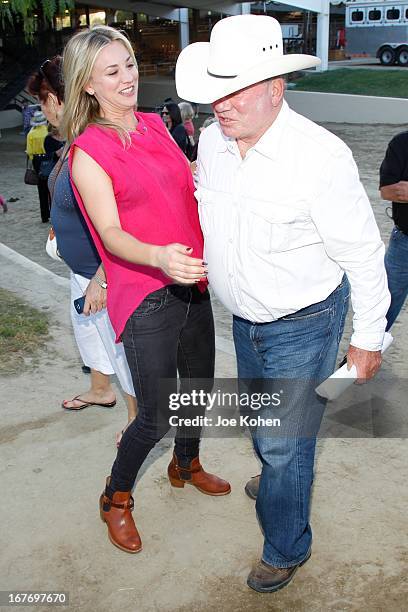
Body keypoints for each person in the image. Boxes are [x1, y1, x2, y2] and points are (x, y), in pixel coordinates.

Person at [176, 15, 390, 593]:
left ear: (277, 87)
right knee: (263, 426)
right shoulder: (215, 144)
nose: (221, 104)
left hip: (306, 323)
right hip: (244, 323)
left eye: (237, 88)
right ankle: (277, 472)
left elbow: (365, 255)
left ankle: (286, 545)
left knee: (283, 444)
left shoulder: (320, 158)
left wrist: (369, 338)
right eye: (217, 88)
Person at [62, 25, 231, 555]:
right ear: (87, 85)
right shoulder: (87, 152)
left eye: (129, 64)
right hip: (144, 290)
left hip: (189, 278)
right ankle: (116, 497)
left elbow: (185, 185)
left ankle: (187, 463)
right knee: (155, 413)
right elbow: (109, 234)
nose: (128, 78)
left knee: (198, 390)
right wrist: (158, 255)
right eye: (112, 72)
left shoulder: (156, 125)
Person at [27, 56, 137, 443]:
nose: (42, 111)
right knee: (89, 334)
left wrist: (103, 279)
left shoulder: (95, 146)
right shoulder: (69, 144)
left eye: (44, 101)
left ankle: (136, 416)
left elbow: (123, 219)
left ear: (61, 99)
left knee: (120, 347)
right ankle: (100, 388)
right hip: (81, 269)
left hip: (103, 273)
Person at [379, 131, 408, 329]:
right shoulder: (402, 143)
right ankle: (358, 358)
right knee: (382, 308)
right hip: (404, 244)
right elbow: (387, 191)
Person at [26, 110, 49, 222]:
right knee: (50, 187)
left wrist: (33, 160)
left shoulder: (31, 134)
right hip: (48, 159)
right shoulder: (47, 132)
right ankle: (52, 213)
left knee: (41, 189)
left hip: (36, 160)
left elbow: (29, 151)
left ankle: (44, 216)